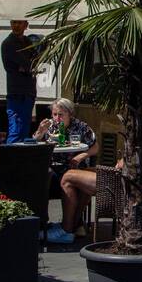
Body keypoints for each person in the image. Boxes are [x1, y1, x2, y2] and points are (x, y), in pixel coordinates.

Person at [50, 115, 142, 244]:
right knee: (83, 174)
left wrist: (120, 161)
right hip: (137, 182)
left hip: (123, 184)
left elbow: (126, 164)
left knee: (68, 176)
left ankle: (66, 230)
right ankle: (75, 225)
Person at [38, 98, 96, 244]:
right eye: (54, 114)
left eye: (61, 115)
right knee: (44, 178)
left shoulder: (81, 127)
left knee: (80, 184)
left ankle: (69, 227)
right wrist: (40, 132)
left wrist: (83, 155)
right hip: (54, 169)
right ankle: (72, 225)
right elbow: (35, 143)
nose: (57, 118)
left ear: (70, 114)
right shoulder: (50, 127)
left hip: (74, 167)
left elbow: (95, 146)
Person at [1, 19, 37, 143]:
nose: (15, 26)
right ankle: (9, 160)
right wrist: (27, 67)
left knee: (24, 131)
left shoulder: (27, 41)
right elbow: (27, 65)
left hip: (28, 91)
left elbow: (35, 62)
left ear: (26, 25)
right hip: (16, 92)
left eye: (19, 22)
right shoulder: (9, 43)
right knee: (16, 130)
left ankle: (21, 160)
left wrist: (27, 68)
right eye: (13, 22)